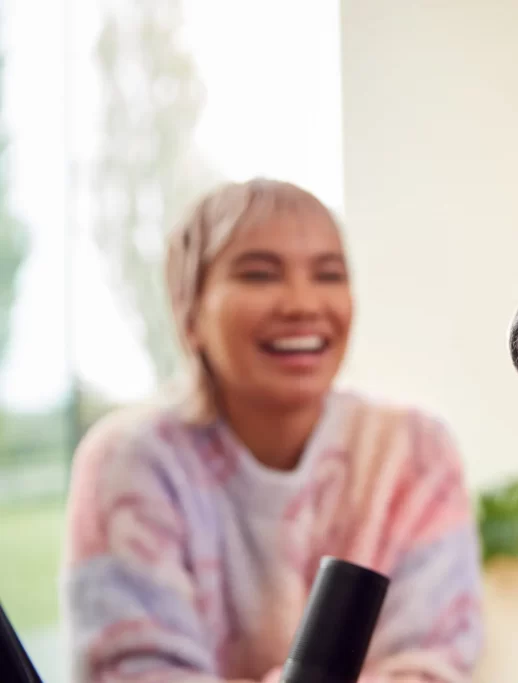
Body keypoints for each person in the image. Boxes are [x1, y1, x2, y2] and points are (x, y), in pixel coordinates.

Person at [59, 178, 485, 683]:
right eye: (260, 275)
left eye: (328, 275)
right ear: (189, 309)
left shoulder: (414, 450)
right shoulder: (128, 461)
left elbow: (432, 664)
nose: (303, 304)